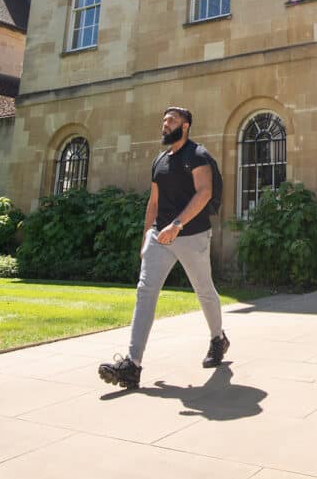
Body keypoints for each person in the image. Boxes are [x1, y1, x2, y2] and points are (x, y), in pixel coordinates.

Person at [98, 106, 229, 390]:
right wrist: (147, 237)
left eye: (171, 121)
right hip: (160, 236)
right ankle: (132, 365)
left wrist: (178, 225)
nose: (165, 125)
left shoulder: (198, 155)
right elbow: (154, 203)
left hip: (191, 235)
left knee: (203, 290)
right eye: (164, 121)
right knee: (146, 291)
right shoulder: (160, 160)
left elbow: (204, 192)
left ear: (185, 126)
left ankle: (218, 339)